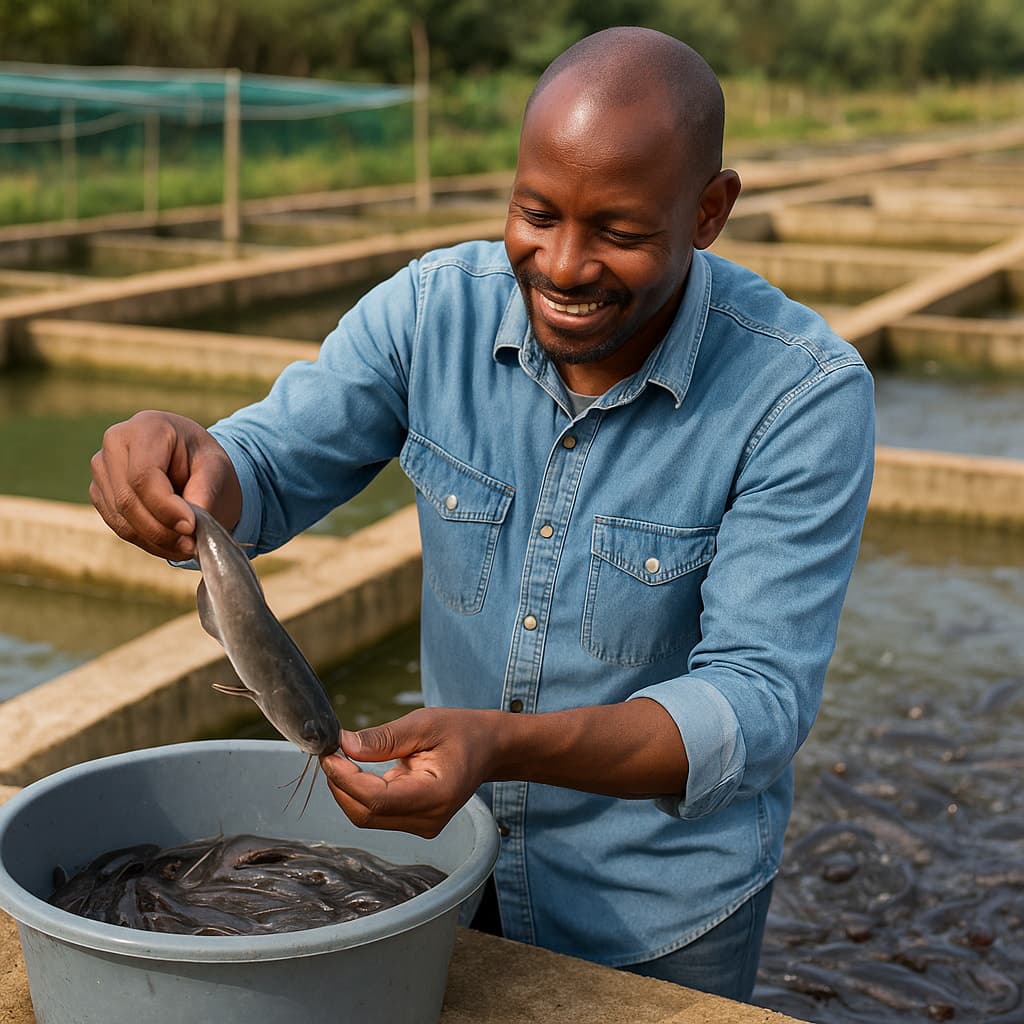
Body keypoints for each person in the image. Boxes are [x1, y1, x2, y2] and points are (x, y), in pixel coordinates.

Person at [90, 27, 874, 1001]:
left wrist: (503, 747)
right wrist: (187, 460)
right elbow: (265, 466)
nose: (563, 264)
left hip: (661, 908)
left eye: (619, 233)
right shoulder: (430, 312)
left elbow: (753, 702)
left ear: (710, 210)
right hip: (440, 875)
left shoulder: (800, 394)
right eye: (534, 212)